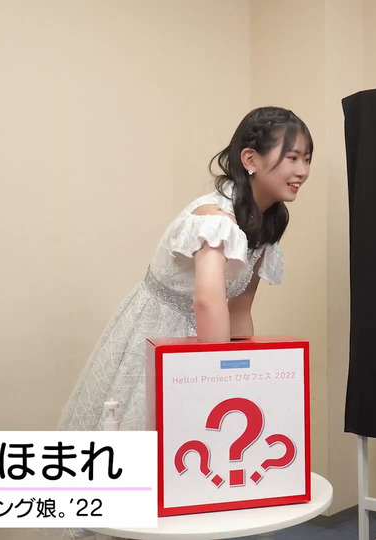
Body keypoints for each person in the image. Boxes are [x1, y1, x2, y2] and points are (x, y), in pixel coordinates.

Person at [57, 106, 313, 435]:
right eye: (292, 158)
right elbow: (208, 302)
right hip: (155, 334)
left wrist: (240, 379)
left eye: (307, 159)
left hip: (209, 337)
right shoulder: (215, 219)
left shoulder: (265, 224)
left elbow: (240, 310)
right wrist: (217, 377)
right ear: (250, 159)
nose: (302, 171)